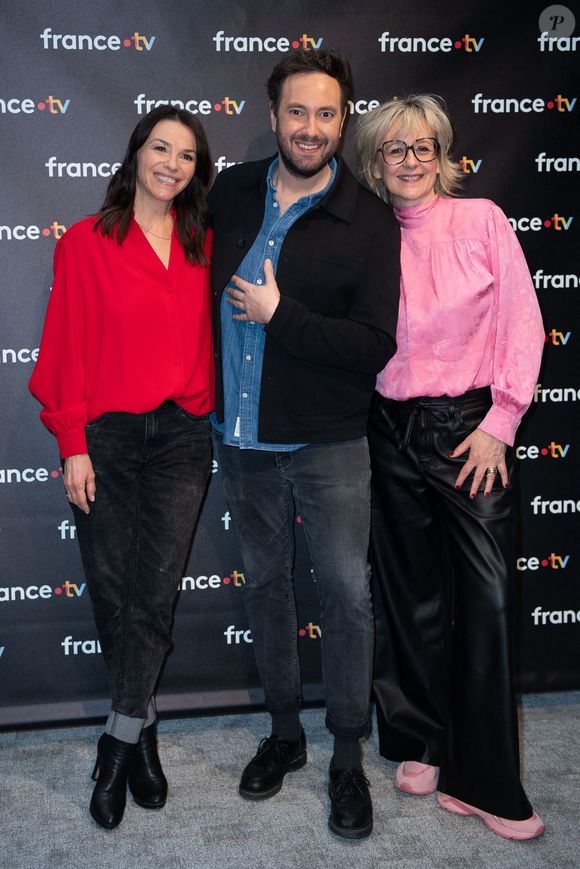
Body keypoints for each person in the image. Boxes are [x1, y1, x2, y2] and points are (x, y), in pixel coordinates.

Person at [209, 48, 400, 839]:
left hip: (328, 443)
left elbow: (373, 345)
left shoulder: (369, 220)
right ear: (274, 114)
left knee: (347, 600)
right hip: (242, 439)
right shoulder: (231, 191)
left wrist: (281, 314)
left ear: (343, 117)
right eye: (297, 112)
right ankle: (285, 733)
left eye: (326, 113)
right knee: (265, 588)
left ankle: (347, 754)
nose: (311, 128)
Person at [355, 95, 545, 840]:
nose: (410, 160)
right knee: (408, 595)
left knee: (489, 599)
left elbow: (522, 321)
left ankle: (488, 778)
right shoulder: (367, 235)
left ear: (443, 155)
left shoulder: (483, 219)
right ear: (375, 162)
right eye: (395, 149)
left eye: (423, 147)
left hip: (470, 430)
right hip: (387, 430)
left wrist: (502, 421)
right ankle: (416, 738)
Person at [29, 106, 214, 830]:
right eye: (160, 148)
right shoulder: (85, 240)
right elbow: (65, 344)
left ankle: (116, 744)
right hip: (103, 437)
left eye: (187, 155)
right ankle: (141, 725)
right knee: (113, 592)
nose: (171, 163)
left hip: (180, 439)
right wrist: (71, 440)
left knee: (155, 594)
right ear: (136, 153)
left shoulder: (205, 244)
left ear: (197, 171)